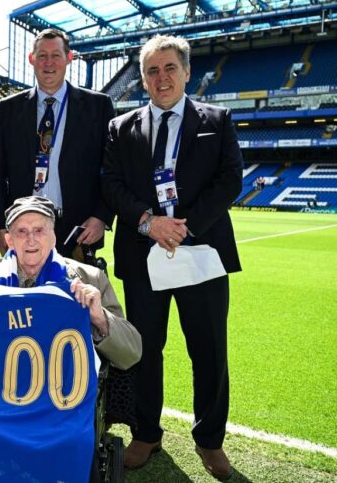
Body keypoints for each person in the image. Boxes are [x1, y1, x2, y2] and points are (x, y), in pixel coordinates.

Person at [101, 34, 243, 480]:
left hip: (200, 254)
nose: (160, 77)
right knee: (145, 350)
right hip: (144, 255)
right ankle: (146, 433)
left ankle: (210, 440)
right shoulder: (121, 127)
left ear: (186, 72)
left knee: (209, 350)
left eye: (169, 68)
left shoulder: (216, 120)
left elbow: (229, 181)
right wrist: (149, 222)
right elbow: (111, 183)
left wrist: (184, 226)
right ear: (142, 79)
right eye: (151, 70)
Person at [0, 195, 141, 371]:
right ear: (9, 240)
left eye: (39, 230)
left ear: (53, 237)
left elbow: (131, 354)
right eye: (21, 232)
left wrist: (100, 319)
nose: (31, 239)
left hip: (61, 405)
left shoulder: (89, 279)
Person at [0, 28, 115, 260]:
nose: (48, 62)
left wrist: (101, 217)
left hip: (79, 230)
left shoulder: (98, 106)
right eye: (42, 55)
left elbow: (111, 170)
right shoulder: (9, 108)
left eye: (56, 55)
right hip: (22, 226)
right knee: (25, 296)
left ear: (69, 58)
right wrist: (0, 227)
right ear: (31, 59)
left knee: (77, 295)